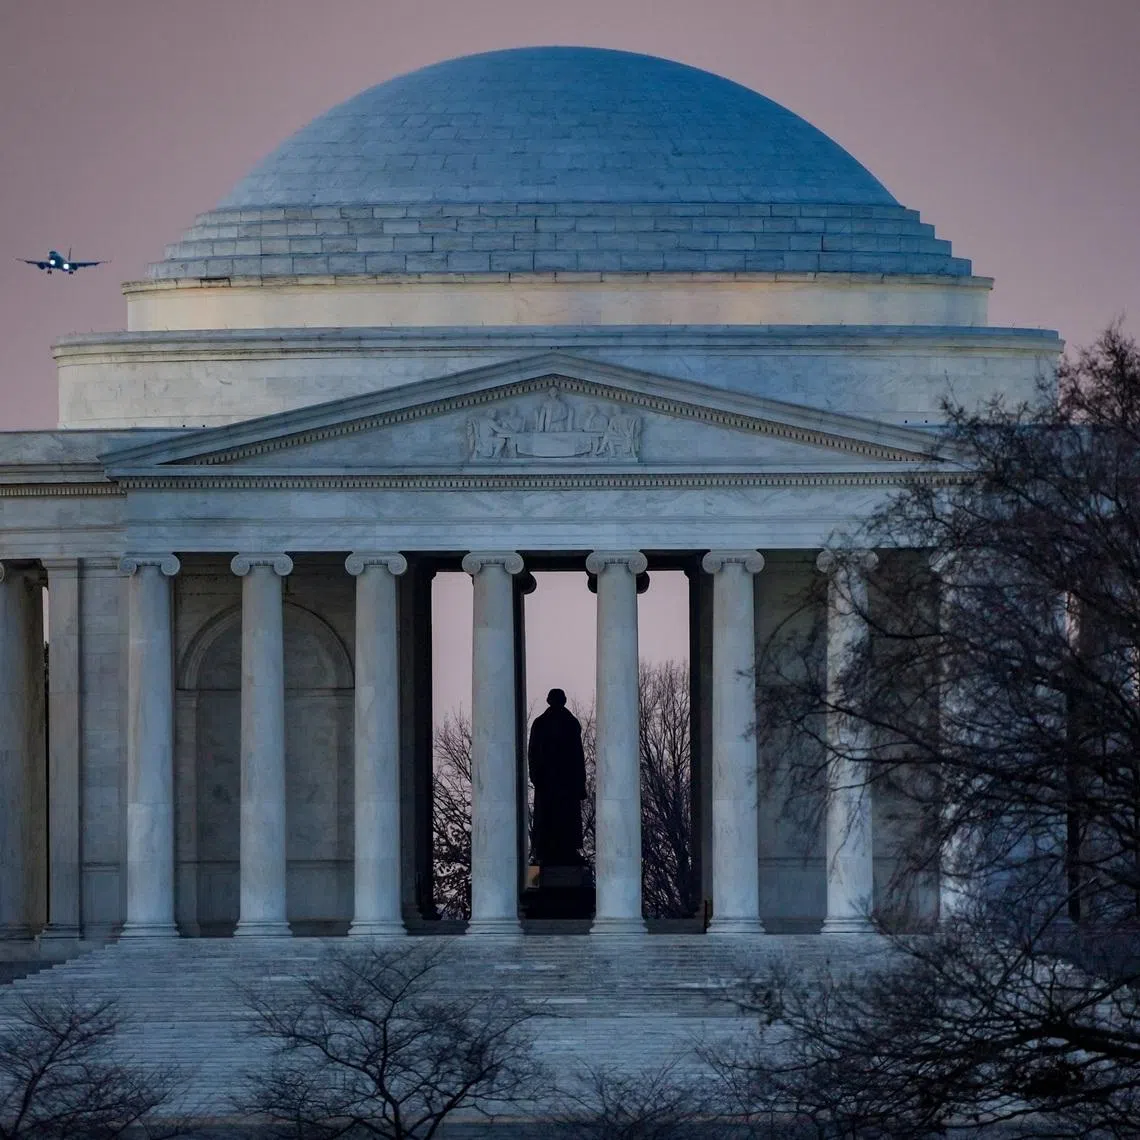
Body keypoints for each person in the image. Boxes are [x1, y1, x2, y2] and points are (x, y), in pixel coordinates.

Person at [527, 688, 587, 866]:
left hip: (559, 783)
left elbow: (577, 755)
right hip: (554, 782)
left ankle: (557, 851)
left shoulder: (563, 723)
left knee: (560, 818)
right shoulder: (565, 723)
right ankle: (549, 851)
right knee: (554, 818)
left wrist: (536, 775)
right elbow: (533, 753)